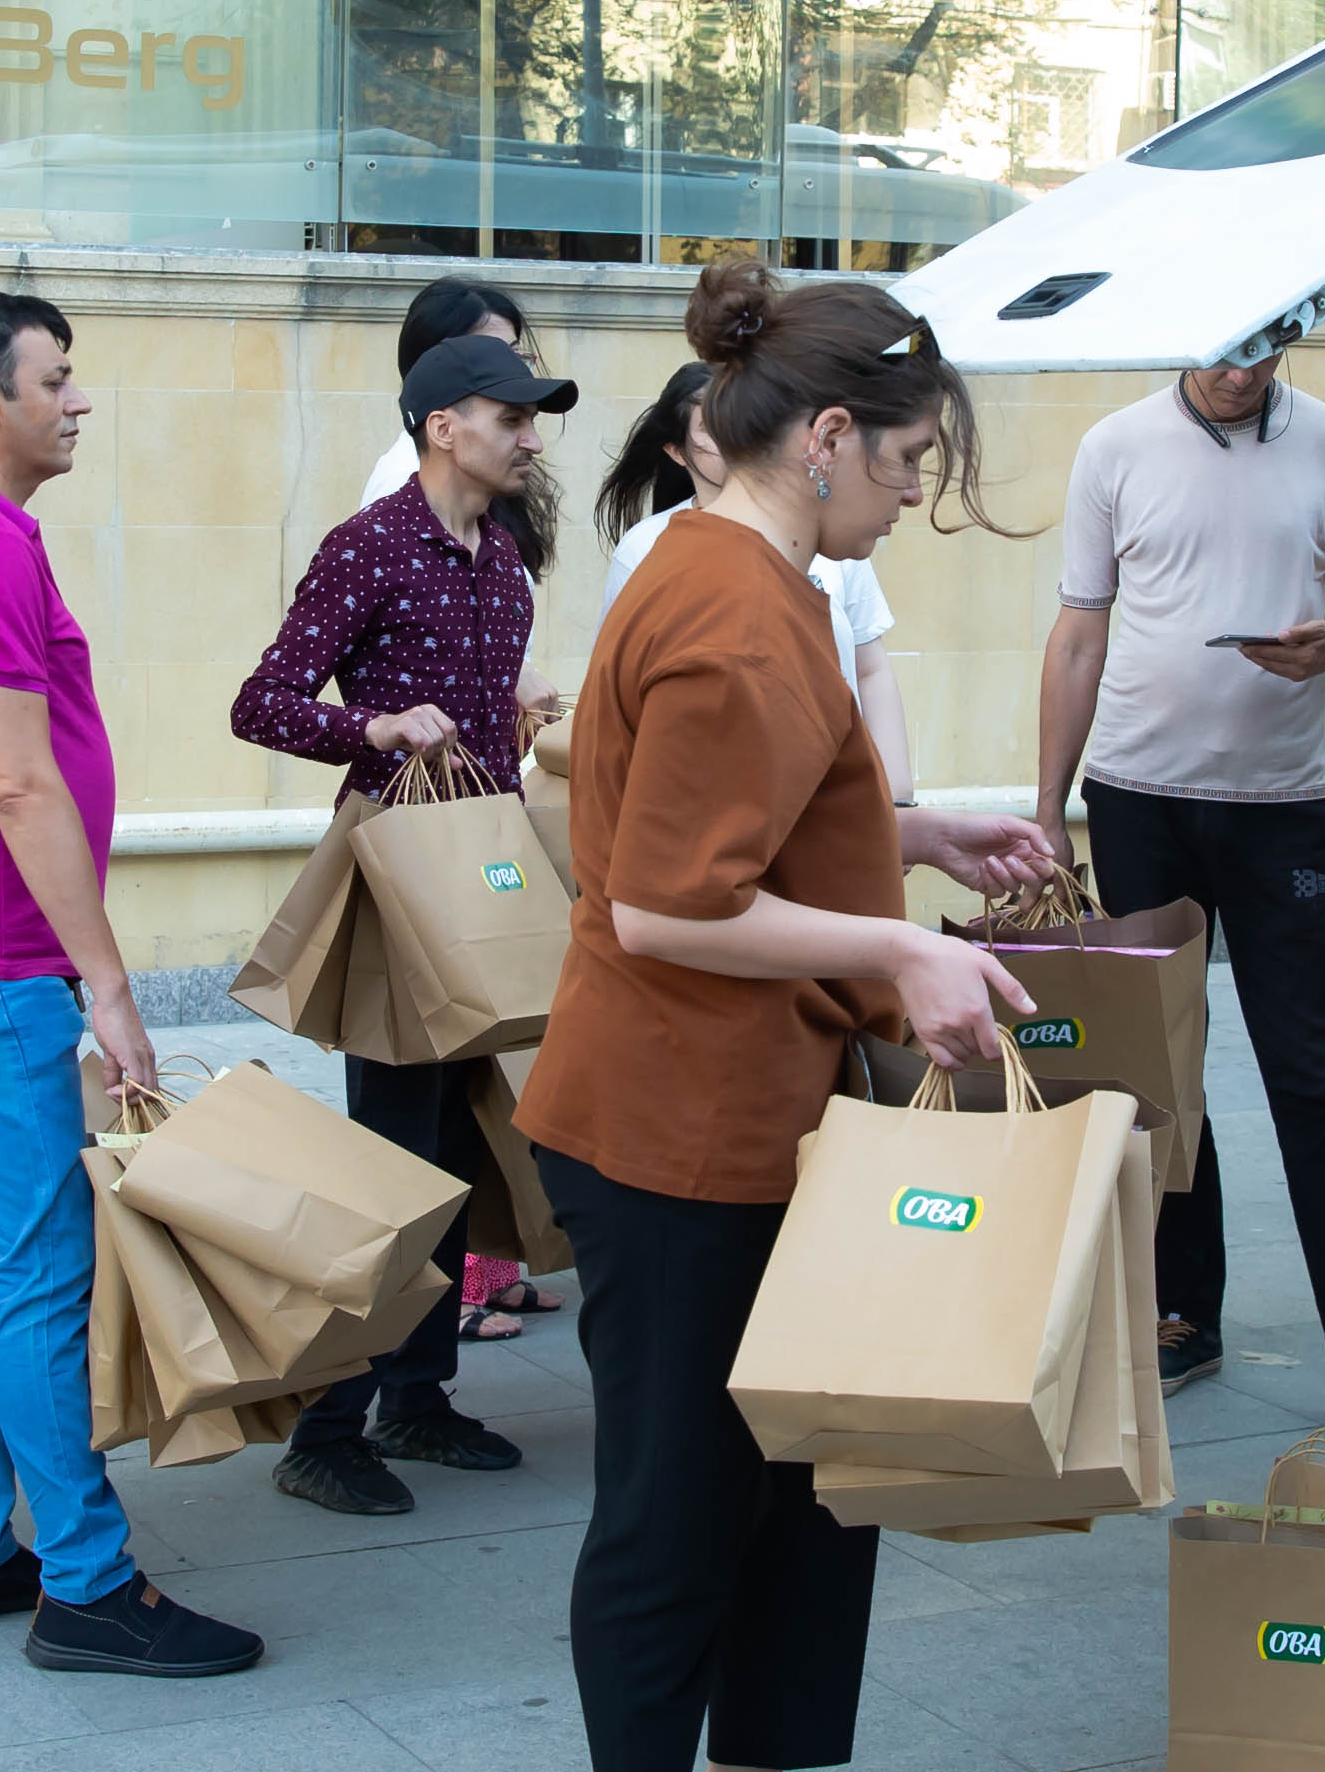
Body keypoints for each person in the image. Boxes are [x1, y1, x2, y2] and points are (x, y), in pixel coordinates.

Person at [515, 263, 1056, 1772]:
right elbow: (669, 907)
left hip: (761, 1112)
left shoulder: (732, 564)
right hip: (677, 1128)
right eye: (906, 466)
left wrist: (911, 831)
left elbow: (759, 821)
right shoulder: (743, 611)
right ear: (824, 438)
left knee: (806, 1482)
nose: (913, 498)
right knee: (680, 1507)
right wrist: (900, 944)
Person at [0, 291, 261, 1680]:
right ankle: (84, 1579)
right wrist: (109, 985)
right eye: (55, 379)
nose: (76, 401)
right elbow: (19, 780)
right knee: (33, 1274)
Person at [1033, 346, 1325, 1446]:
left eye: (1267, 343)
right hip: (1134, 796)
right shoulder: (1114, 446)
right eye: (1225, 347)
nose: (1243, 367)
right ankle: (1184, 1315)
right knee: (1159, 1074)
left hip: (1279, 808)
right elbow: (1079, 633)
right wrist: (1046, 811)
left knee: (1313, 1077)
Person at [232, 327, 581, 1515]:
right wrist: (373, 729)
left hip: (481, 878)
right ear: (444, 426)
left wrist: (523, 706)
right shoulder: (368, 548)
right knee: (389, 1159)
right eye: (512, 416)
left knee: (462, 1146)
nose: (532, 437)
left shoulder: (502, 559)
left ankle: (417, 1399)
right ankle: (324, 1429)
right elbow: (262, 703)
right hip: (394, 886)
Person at [598, 361, 920, 803]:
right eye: (715, 429)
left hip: (839, 811)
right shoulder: (647, 549)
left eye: (746, 423)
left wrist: (898, 804)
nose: (912, 492)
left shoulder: (830, 542)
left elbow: (871, 667)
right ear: (677, 451)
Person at [362, 274, 563, 579]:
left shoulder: (488, 498)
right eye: (491, 354)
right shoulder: (400, 487)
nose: (533, 443)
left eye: (516, 354)